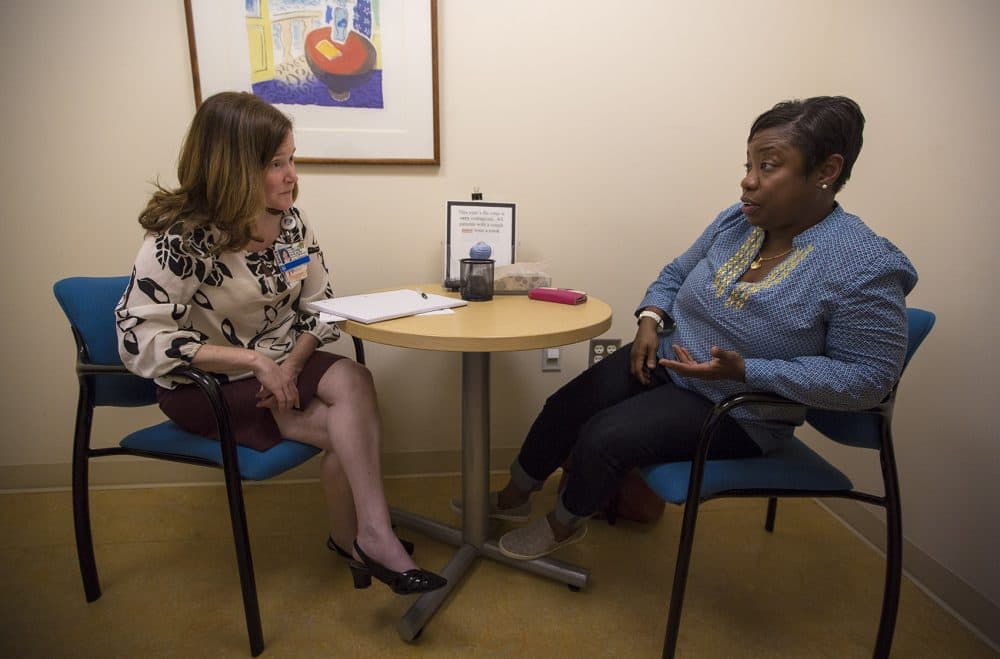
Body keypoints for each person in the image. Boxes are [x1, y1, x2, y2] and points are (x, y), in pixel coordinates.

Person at [456, 96, 918, 560]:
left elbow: (868, 382)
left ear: (827, 171)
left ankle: (563, 523)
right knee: (565, 405)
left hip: (738, 408)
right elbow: (675, 274)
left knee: (604, 436)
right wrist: (650, 320)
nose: (747, 180)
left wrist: (746, 371)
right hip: (668, 358)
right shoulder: (738, 221)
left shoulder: (865, 265)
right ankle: (514, 497)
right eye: (749, 163)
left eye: (768, 166)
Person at [115, 91, 445, 595]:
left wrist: (288, 366)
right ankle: (359, 539)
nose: (293, 175)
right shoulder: (179, 239)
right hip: (207, 386)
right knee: (349, 434)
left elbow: (320, 304)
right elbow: (140, 336)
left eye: (291, 159)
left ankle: (367, 536)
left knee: (354, 379)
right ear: (233, 167)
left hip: (279, 364)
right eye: (276, 163)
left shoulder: (291, 221)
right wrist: (253, 361)